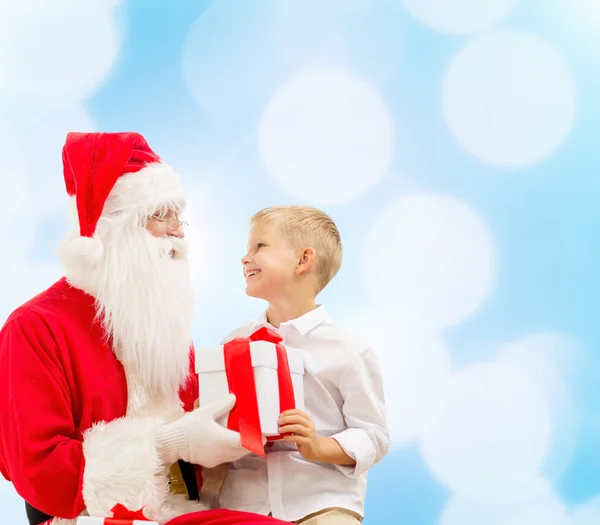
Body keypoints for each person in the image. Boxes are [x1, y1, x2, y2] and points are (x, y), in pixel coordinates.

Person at [0, 132, 290, 525]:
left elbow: (198, 443)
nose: (178, 233)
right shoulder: (34, 328)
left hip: (184, 508)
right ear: (115, 227)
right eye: (161, 216)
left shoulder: (162, 327)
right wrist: (168, 444)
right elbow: (40, 473)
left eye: (179, 217)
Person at [216, 206, 390, 524]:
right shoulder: (234, 343)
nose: (245, 258)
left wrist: (317, 446)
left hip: (321, 503)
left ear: (303, 260)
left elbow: (373, 435)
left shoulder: (350, 350)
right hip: (244, 504)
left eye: (260, 247)